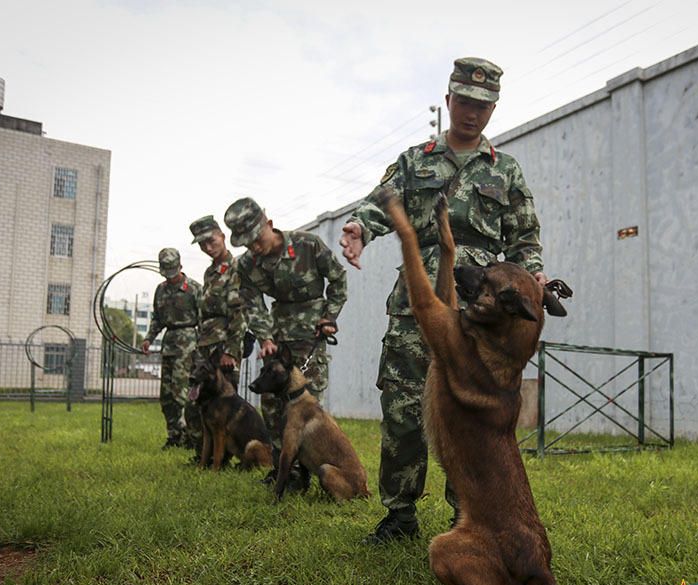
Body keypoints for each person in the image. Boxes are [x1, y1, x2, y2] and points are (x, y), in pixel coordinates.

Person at [340, 57, 547, 543]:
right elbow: (379, 202)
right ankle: (399, 514)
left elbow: (524, 239)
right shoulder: (417, 160)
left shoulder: (507, 171)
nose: (472, 113)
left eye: (483, 105)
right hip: (419, 301)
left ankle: (468, 513)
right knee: (403, 405)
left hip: (482, 314)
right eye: (465, 102)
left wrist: (534, 273)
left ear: (493, 110)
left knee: (471, 416)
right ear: (448, 99)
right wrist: (358, 229)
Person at [225, 197, 347, 481]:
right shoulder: (247, 264)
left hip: (312, 335)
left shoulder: (307, 245)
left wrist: (329, 316)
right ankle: (285, 470)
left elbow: (338, 278)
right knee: (271, 404)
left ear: (268, 224)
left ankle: (311, 469)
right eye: (247, 243)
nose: (254, 246)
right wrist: (265, 337)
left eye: (256, 238)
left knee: (308, 403)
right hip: (277, 340)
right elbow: (252, 302)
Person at [185, 215, 250, 452]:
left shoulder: (237, 268)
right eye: (202, 245)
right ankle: (204, 453)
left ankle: (223, 456)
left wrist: (232, 350)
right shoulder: (210, 273)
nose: (208, 248)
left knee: (223, 405)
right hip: (206, 345)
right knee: (200, 402)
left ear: (223, 236)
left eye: (211, 241)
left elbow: (239, 312)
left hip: (224, 347)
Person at [141, 247, 202, 449]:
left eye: (173, 272)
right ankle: (174, 436)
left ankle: (192, 438)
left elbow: (204, 320)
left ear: (180, 267)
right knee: (166, 395)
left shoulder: (194, 289)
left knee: (181, 393)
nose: (170, 277)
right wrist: (149, 338)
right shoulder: (161, 289)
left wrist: (202, 350)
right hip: (169, 343)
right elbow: (157, 318)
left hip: (188, 344)